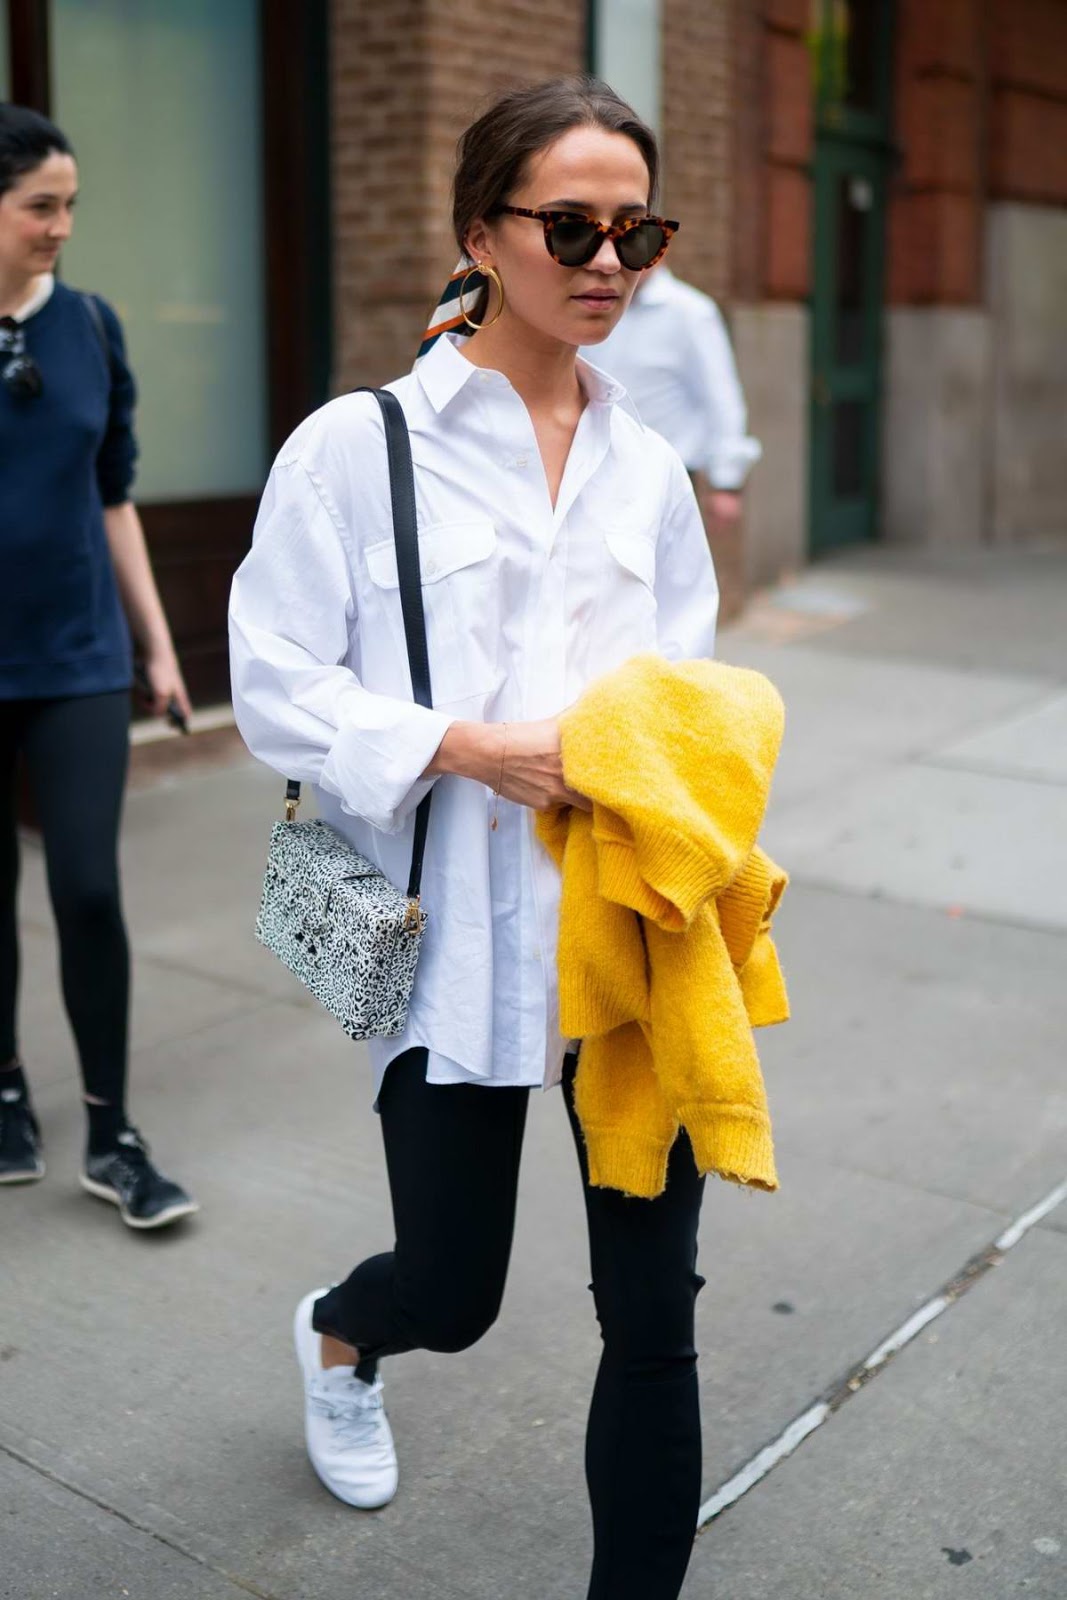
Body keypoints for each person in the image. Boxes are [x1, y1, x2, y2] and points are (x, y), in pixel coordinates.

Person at [230, 77, 720, 1599]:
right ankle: (344, 1328)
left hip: (629, 944)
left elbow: (688, 685)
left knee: (652, 1323)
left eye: (633, 230)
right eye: (568, 225)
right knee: (453, 1291)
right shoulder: (354, 449)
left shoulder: (646, 466)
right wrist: (464, 746)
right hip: (447, 947)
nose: (607, 261)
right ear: (477, 237)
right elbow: (270, 684)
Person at [0, 104, 197, 1229]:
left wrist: (159, 646)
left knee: (85, 884)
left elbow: (111, 493)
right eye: (41, 206)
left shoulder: (92, 326)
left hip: (78, 652)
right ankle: (6, 1098)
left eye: (69, 205)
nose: (62, 226)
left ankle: (112, 1128)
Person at [582, 259, 761, 527]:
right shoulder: (591, 304)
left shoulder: (691, 312)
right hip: (592, 470)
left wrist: (726, 481)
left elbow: (721, 396)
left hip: (662, 476)